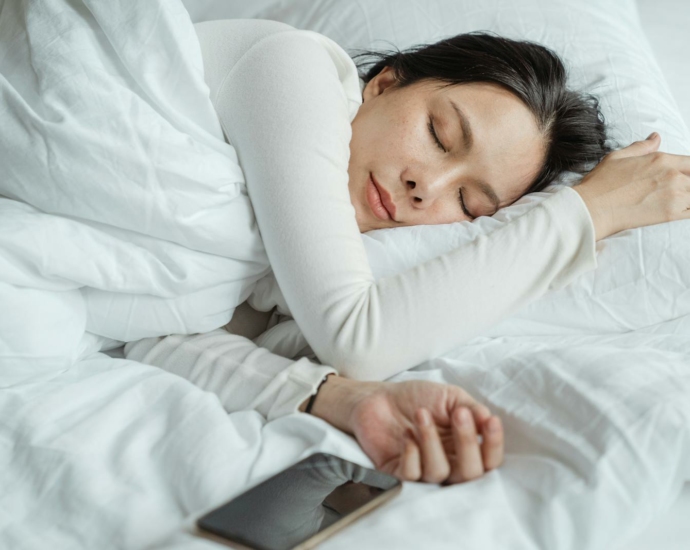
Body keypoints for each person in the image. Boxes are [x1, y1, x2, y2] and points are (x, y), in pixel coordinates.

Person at [125, 19, 690, 485]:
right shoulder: (289, 67)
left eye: (468, 204)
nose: (428, 186)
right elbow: (360, 339)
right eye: (440, 135)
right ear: (385, 83)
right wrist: (588, 213)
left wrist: (343, 402)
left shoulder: (271, 262)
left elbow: (150, 337)